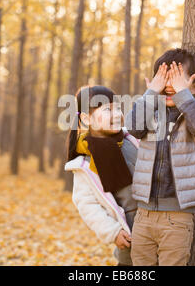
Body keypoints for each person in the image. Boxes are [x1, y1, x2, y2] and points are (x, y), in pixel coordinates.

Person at [125, 48, 195, 266]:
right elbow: (133, 128)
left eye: (178, 79)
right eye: (164, 79)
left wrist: (183, 94)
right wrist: (151, 93)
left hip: (178, 216)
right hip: (143, 214)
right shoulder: (150, 113)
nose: (170, 85)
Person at [65, 85, 139, 266]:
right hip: (128, 230)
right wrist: (112, 232)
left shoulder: (131, 140)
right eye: (107, 110)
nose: (116, 114)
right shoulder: (85, 163)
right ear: (86, 118)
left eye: (118, 108)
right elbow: (87, 204)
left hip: (154, 221)